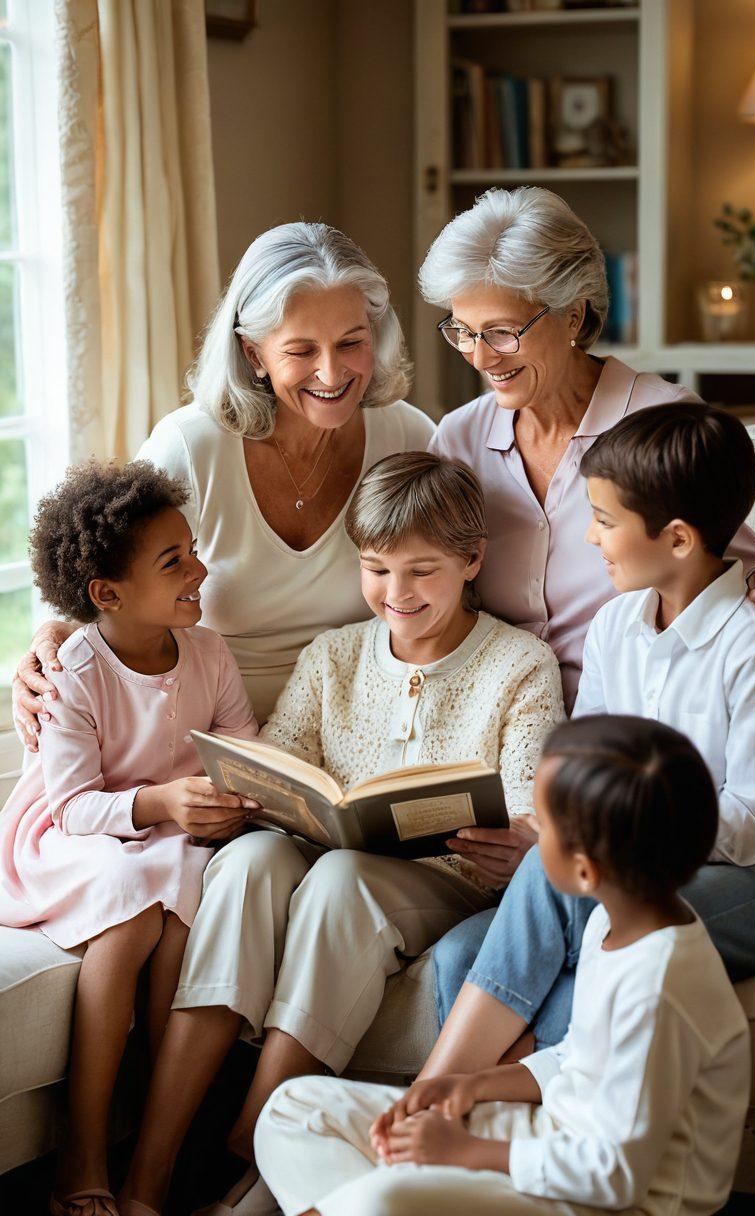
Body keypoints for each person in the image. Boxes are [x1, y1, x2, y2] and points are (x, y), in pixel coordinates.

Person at [118, 452, 563, 1216]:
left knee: (340, 881)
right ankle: (147, 1179)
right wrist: (253, 796)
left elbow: (526, 806)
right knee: (254, 861)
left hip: (448, 885)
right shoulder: (334, 655)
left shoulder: (520, 663)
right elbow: (282, 759)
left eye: (421, 571)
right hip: (324, 857)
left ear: (471, 560)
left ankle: (257, 1136)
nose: (397, 594)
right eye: (376, 569)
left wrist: (517, 842)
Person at [423, 403, 755, 1081]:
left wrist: (620, 836)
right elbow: (593, 766)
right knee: (458, 955)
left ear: (676, 539)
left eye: (606, 521)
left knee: (588, 932)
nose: (589, 538)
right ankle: (482, 1118)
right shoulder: (615, 627)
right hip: (650, 849)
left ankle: (438, 1100)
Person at [420, 186, 755, 893]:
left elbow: (734, 568)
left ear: (572, 314)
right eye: (463, 331)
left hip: (632, 766)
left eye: (502, 331)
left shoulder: (659, 422)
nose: (481, 356)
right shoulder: (459, 439)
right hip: (507, 750)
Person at [253, 716, 751, 1216]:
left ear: (584, 870)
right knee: (290, 1112)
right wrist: (472, 1084)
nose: (530, 832)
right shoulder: (613, 921)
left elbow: (614, 1175)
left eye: (542, 824)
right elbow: (579, 1058)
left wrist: (467, 1155)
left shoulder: (659, 988)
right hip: (549, 1139)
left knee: (379, 1199)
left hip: (612, 1196)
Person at [12, 221, 435, 735]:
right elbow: (115, 586)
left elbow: (455, 590)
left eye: (351, 343)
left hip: (363, 728)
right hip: (200, 735)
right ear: (253, 353)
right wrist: (54, 639)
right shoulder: (192, 447)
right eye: (302, 351)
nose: (332, 373)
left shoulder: (409, 438)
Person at [0, 462, 260, 1216]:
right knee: (133, 898)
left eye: (193, 549)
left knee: (183, 888)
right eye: (173, 561)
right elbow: (74, 804)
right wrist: (159, 802)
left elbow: (245, 750)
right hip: (66, 835)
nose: (200, 569)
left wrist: (236, 800)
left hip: (163, 835)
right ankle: (81, 1153)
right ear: (107, 595)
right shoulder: (77, 671)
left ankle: (148, 1131)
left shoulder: (208, 653)